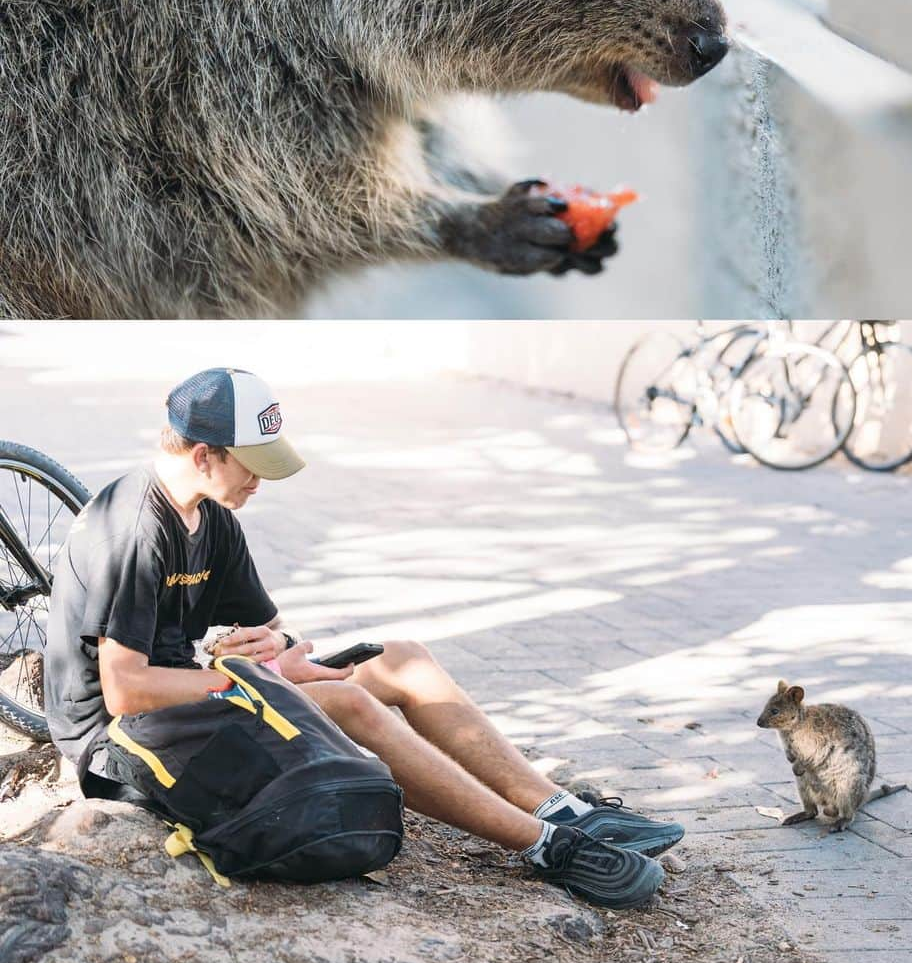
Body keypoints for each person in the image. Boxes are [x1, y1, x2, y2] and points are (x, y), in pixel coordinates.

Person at [45, 368, 683, 910]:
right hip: (116, 740)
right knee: (352, 703)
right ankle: (550, 848)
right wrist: (237, 678)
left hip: (195, 697)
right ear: (203, 454)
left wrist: (270, 650)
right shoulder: (132, 529)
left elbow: (268, 625)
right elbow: (125, 690)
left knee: (403, 660)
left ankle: (565, 811)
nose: (260, 482)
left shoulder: (212, 514)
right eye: (252, 465)